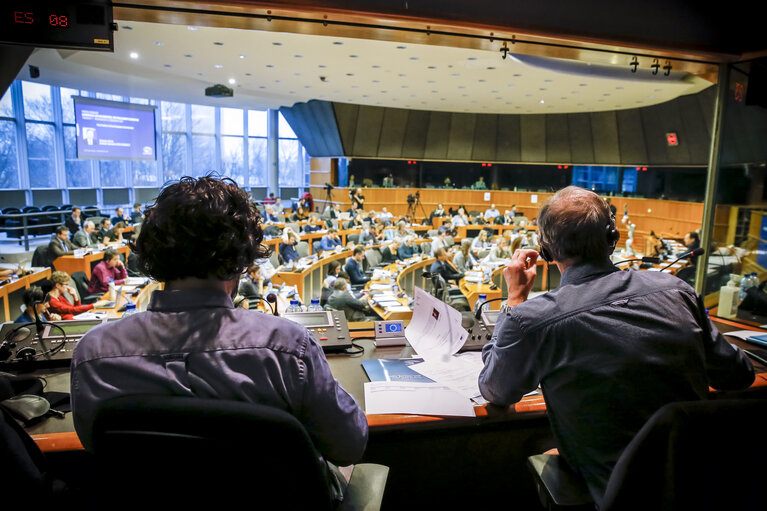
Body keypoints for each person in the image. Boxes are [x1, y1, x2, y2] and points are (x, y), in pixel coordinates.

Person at [70, 176, 367, 500]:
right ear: (240, 260)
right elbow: (350, 444)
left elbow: (96, 446)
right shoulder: (288, 348)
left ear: (153, 254)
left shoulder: (93, 355)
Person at [478, 186, 755, 507]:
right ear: (613, 237)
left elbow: (496, 389)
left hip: (620, 496)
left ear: (547, 251)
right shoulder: (678, 291)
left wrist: (514, 300)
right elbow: (738, 376)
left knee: (543, 445)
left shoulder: (532, 319)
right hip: (709, 486)